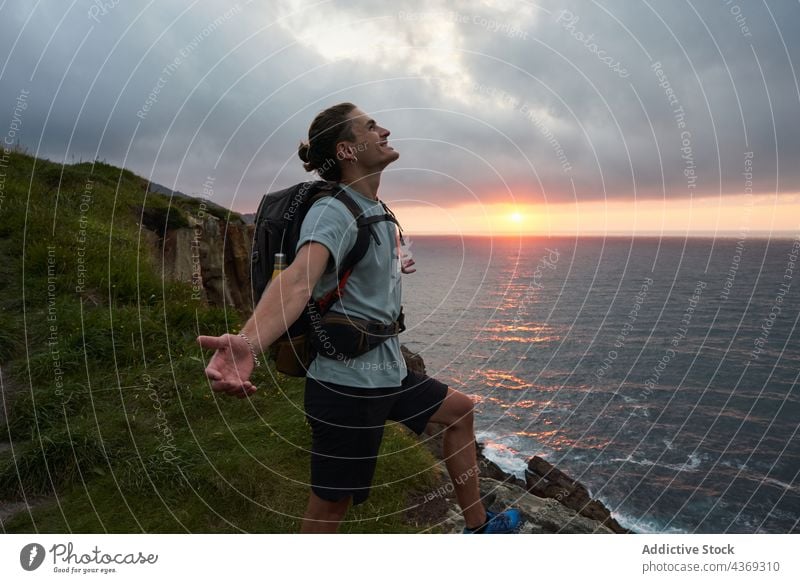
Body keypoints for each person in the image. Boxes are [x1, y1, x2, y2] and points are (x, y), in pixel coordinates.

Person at [197, 103, 520, 534]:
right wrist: (248, 342)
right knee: (329, 509)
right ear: (348, 150)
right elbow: (297, 281)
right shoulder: (333, 211)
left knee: (460, 413)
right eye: (371, 126)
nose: (384, 130)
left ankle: (479, 529)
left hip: (388, 373)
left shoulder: (374, 206)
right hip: (347, 387)